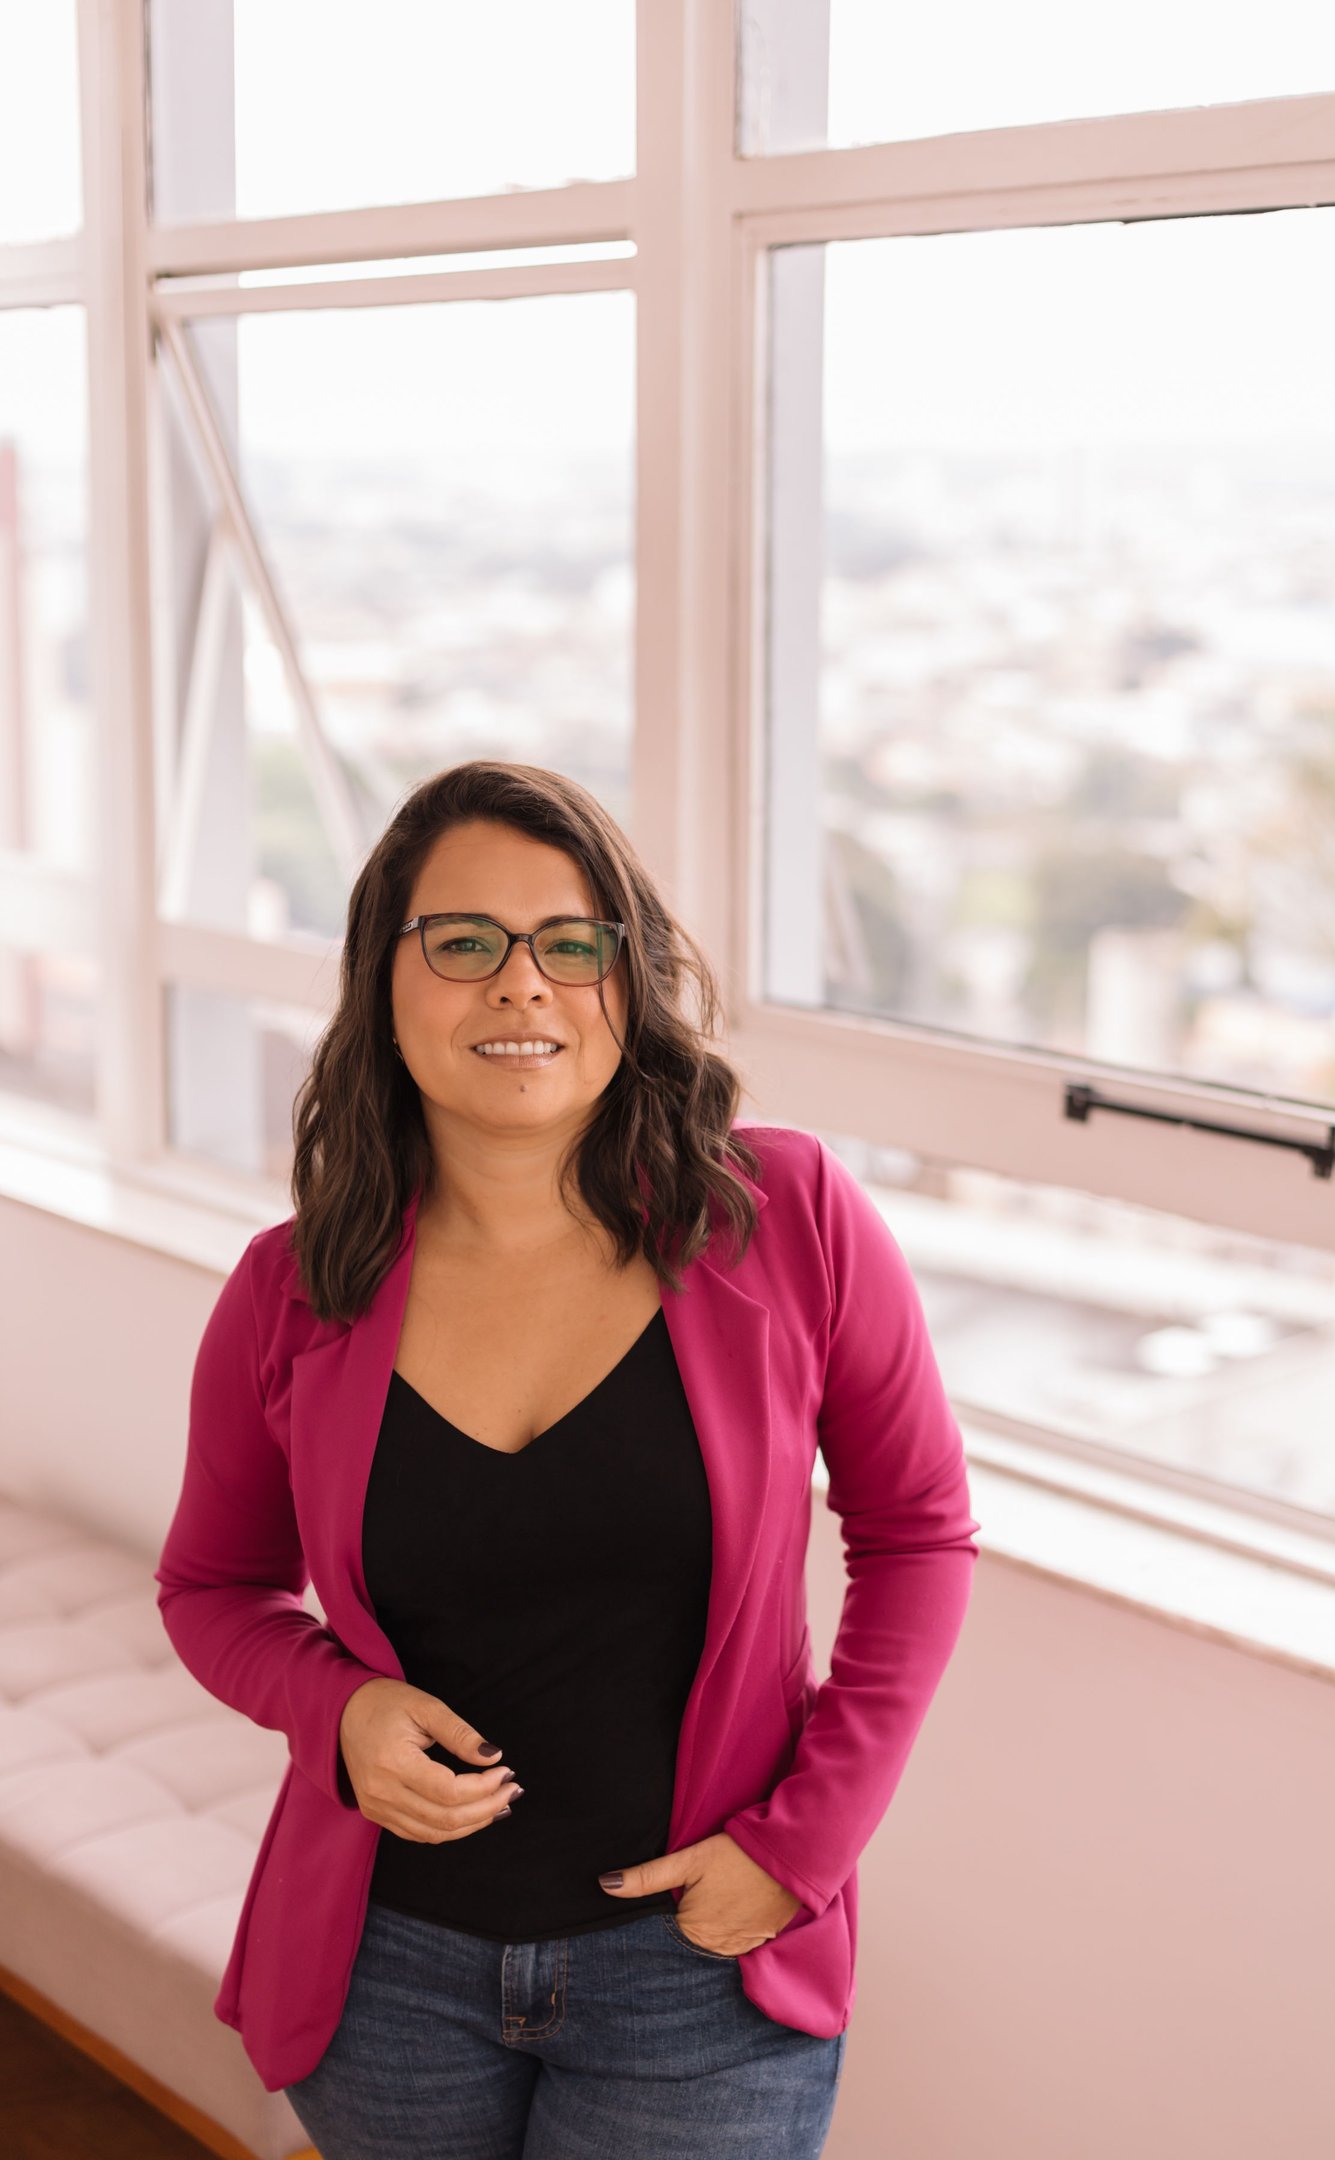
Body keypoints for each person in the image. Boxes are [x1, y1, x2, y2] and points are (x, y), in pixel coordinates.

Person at [154, 759, 981, 2159]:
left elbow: (917, 1535)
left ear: (625, 976)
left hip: (696, 1972)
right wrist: (336, 1713)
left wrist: (801, 1848)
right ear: (384, 979)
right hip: (388, 1975)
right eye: (465, 942)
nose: (521, 987)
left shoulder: (788, 1217)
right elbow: (211, 1591)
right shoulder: (291, 1289)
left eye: (571, 943)